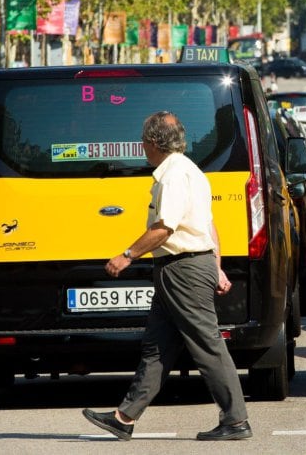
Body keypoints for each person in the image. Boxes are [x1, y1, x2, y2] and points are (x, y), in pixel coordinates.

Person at [82, 111, 251, 442]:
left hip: (183, 268)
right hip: (183, 266)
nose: (142, 147)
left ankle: (235, 420)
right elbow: (208, 225)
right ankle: (124, 417)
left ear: (153, 142)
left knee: (207, 345)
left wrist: (127, 255)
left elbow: (165, 227)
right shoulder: (191, 170)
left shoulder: (173, 176)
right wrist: (215, 264)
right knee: (158, 347)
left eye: (143, 141)